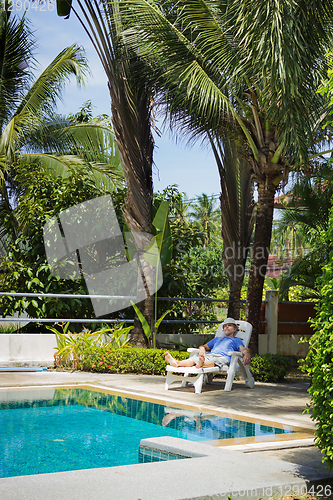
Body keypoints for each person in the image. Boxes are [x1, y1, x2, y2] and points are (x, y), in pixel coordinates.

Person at [164, 318, 250, 369]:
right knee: (193, 359)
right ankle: (177, 363)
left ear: (235, 329)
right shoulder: (217, 339)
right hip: (210, 356)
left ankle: (202, 364)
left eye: (229, 325)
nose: (226, 327)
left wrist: (246, 355)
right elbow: (204, 346)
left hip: (223, 358)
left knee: (214, 362)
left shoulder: (236, 340)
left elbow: (243, 349)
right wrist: (202, 349)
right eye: (225, 326)